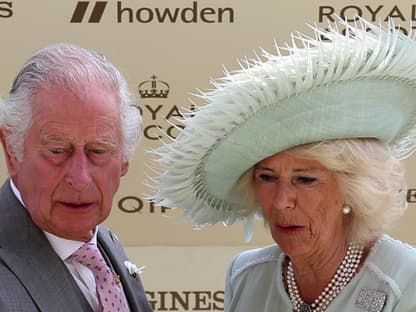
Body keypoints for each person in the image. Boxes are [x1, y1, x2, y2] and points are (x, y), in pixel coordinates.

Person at [150, 18, 416, 311]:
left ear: (352, 189)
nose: (281, 201)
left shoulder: (404, 280)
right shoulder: (246, 276)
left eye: (305, 179)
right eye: (267, 177)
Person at [0, 44, 153, 311]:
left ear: (124, 159)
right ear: (12, 151)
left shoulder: (103, 247)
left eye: (98, 150)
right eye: (57, 151)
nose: (80, 178)